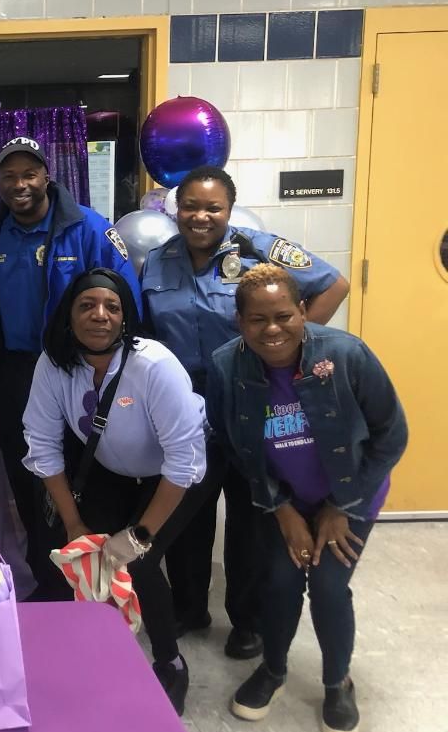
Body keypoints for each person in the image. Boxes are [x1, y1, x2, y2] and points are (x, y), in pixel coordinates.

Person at [141, 167, 349, 660]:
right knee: (188, 514)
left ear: (229, 210)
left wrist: (284, 347)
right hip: (187, 410)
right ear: (176, 210)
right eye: (190, 206)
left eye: (213, 207)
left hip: (252, 402)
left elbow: (334, 285)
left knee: (252, 516)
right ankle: (190, 606)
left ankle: (247, 621)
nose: (200, 216)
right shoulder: (156, 262)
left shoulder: (258, 250)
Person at [207, 265, 405, 732]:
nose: (271, 329)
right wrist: (283, 510)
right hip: (286, 497)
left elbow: (391, 436)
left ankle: (338, 682)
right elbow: (235, 444)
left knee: (330, 587)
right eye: (257, 319)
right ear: (240, 322)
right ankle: (273, 670)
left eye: (282, 316)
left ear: (302, 312)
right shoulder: (226, 365)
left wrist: (341, 505)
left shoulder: (346, 355)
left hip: (351, 492)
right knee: (278, 580)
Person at [23, 268, 210, 715]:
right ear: (69, 316)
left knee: (137, 561)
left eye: (112, 306)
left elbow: (184, 462)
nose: (100, 315)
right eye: (87, 305)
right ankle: (99, 643)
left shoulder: (154, 365)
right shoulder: (53, 362)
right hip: (115, 471)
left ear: (126, 318)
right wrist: (73, 522)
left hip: (179, 472)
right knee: (87, 551)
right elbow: (42, 445)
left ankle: (170, 662)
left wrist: (141, 534)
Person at [0, 137, 140, 598]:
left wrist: (111, 369)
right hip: (17, 374)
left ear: (47, 175)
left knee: (77, 478)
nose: (19, 184)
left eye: (29, 174)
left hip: (78, 372)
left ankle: (87, 579)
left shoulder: (88, 228)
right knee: (26, 479)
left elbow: (127, 299)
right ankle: (45, 579)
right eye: (9, 176)